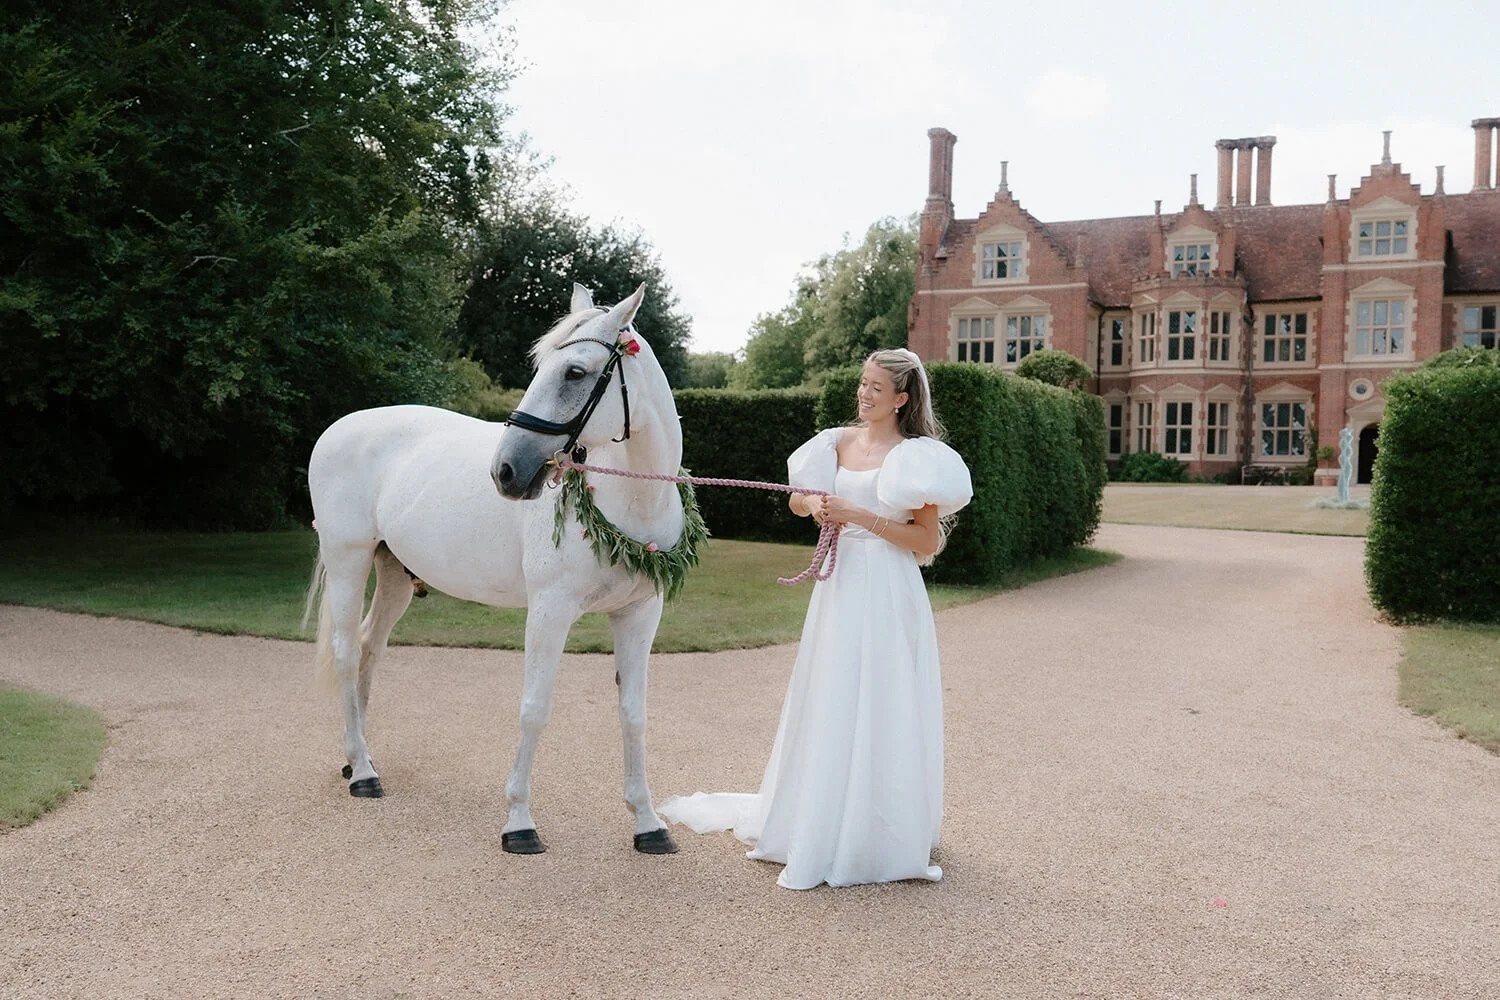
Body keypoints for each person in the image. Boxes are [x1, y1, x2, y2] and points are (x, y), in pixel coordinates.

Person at [659, 348, 973, 889]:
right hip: (839, 588)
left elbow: (925, 542)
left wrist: (863, 516)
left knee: (883, 698)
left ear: (901, 398)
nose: (865, 394)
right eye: (863, 383)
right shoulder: (834, 442)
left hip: (888, 588)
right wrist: (815, 507)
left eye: (877, 388)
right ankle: (820, 817)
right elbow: (797, 500)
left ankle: (877, 831)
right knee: (831, 694)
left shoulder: (918, 457)